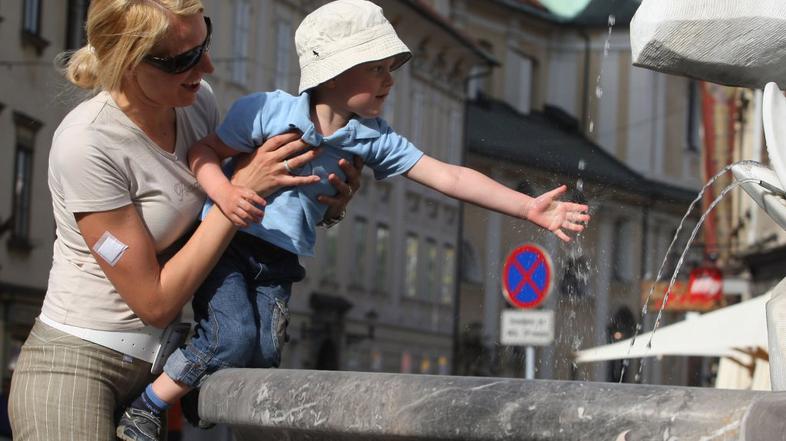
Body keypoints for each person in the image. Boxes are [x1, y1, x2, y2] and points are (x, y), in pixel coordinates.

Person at [118, 0, 592, 439]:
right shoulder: (266, 110)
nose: (390, 80)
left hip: (280, 263)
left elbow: (447, 176)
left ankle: (202, 388)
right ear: (333, 72)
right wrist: (224, 193)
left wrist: (526, 207)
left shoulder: (371, 139)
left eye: (391, 69)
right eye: (377, 69)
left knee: (263, 355)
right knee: (232, 336)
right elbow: (204, 152)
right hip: (227, 246)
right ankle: (147, 404)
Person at [7, 1, 362, 440]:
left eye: (204, 44)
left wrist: (324, 199)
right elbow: (153, 301)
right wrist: (241, 195)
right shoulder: (88, 143)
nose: (207, 67)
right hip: (77, 367)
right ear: (128, 61)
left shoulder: (196, 104)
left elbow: (249, 209)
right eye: (185, 59)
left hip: (160, 368)